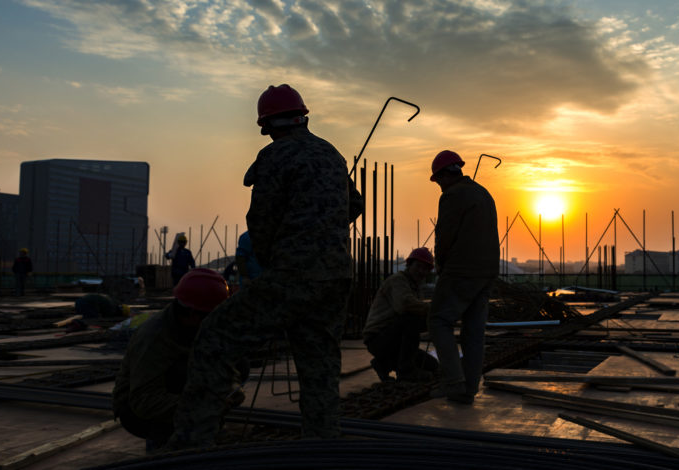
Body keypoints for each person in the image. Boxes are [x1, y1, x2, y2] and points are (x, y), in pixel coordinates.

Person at [167, 83, 363, 449]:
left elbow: (261, 222)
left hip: (293, 276)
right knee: (319, 368)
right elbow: (354, 205)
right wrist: (321, 230)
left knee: (216, 337)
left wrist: (277, 259)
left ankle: (191, 445)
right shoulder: (331, 154)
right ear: (302, 117)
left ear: (268, 125)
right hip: (336, 278)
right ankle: (321, 447)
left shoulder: (276, 156)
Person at [113, 268, 240, 452]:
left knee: (234, 365)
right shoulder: (155, 338)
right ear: (192, 313)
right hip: (138, 411)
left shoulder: (200, 326)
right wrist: (200, 405)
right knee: (181, 371)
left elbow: (225, 360)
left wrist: (232, 386)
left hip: (179, 397)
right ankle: (164, 442)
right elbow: (143, 401)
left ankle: (199, 428)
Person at [427, 150, 499, 404]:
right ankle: (469, 387)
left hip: (461, 270)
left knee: (438, 320)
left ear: (446, 175)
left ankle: (454, 383)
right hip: (487, 271)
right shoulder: (482, 192)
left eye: (438, 181)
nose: (439, 187)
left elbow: (444, 236)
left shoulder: (453, 195)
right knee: (473, 330)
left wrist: (441, 266)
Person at [363, 248, 440, 382]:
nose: (421, 271)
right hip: (377, 339)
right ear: (409, 265)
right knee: (411, 318)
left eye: (425, 269)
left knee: (432, 366)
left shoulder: (415, 287)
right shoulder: (398, 280)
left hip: (393, 340)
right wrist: (435, 310)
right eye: (418, 266)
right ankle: (406, 371)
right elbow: (404, 306)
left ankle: (383, 364)